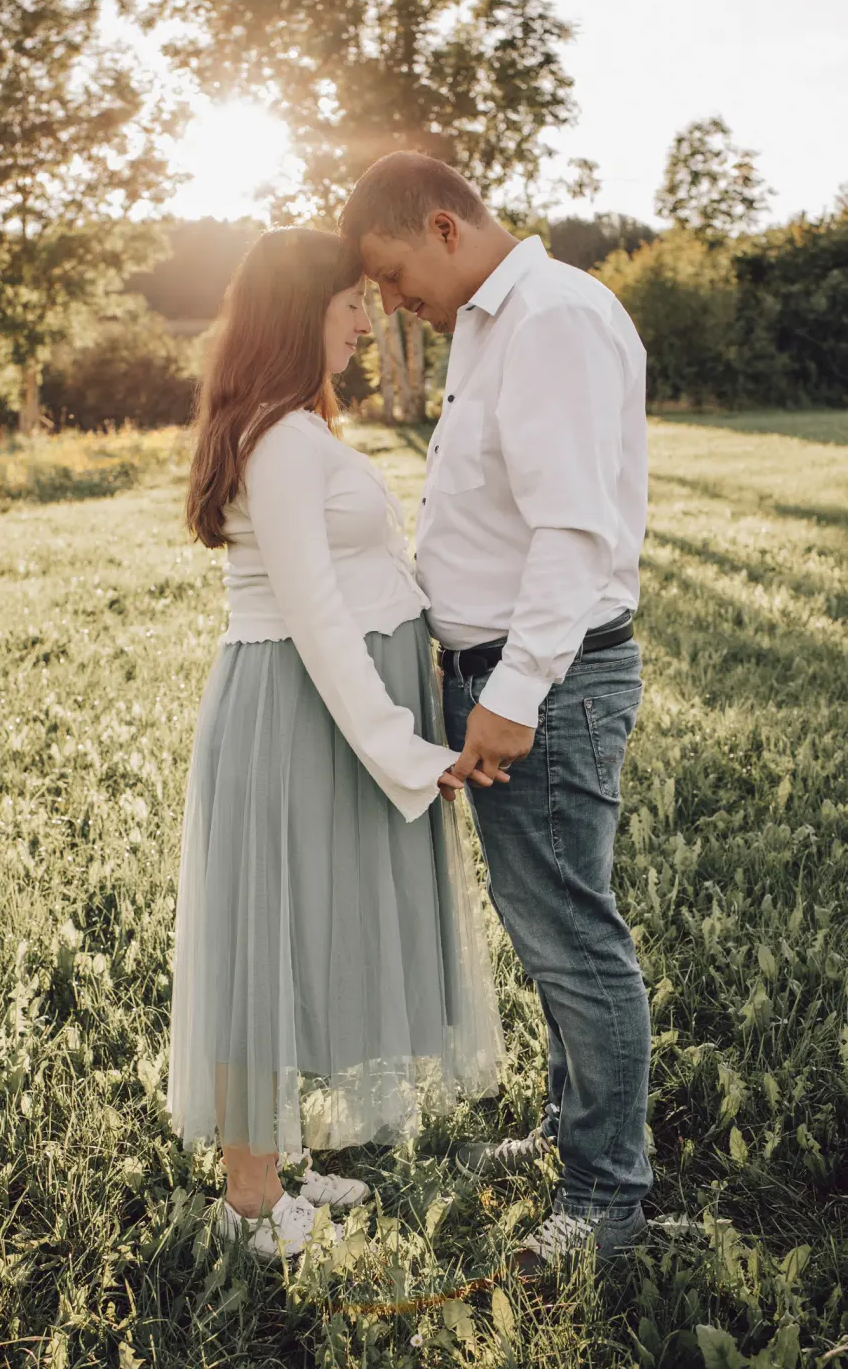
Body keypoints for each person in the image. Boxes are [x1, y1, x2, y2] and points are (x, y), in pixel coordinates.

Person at [340, 152, 651, 1275]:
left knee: (573, 940)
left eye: (391, 274)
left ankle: (609, 1200)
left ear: (442, 225)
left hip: (546, 682)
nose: (389, 303)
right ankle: (583, 1133)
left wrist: (515, 694)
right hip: (498, 673)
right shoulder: (483, 318)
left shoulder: (552, 318)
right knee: (549, 926)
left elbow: (575, 533)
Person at [168, 227, 504, 1260]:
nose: (368, 319)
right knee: (264, 939)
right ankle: (252, 1207)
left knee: (300, 934)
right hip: (299, 716)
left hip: (319, 719)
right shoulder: (277, 441)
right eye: (352, 301)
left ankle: (279, 1169)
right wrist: (409, 751)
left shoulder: (293, 430)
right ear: (298, 310)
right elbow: (316, 619)